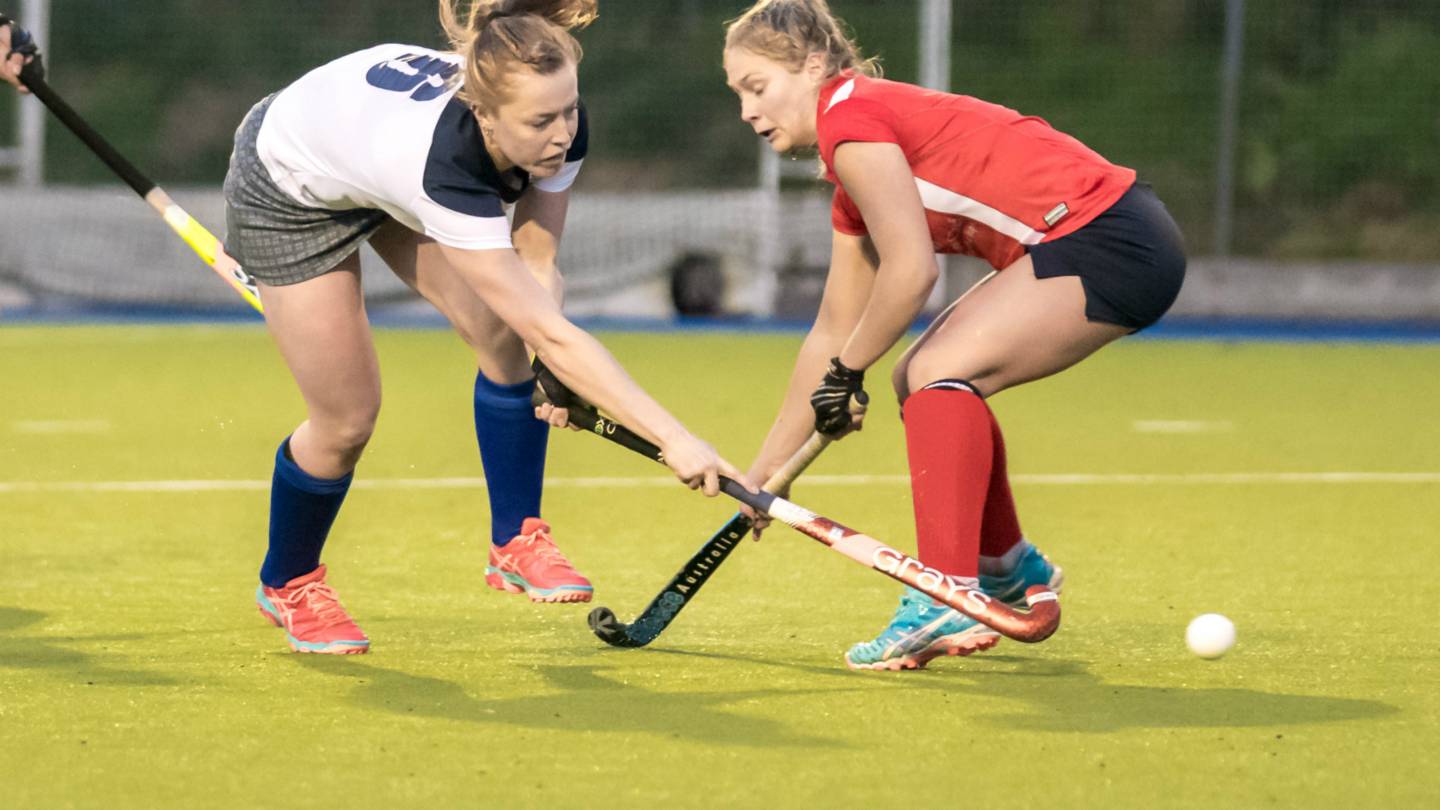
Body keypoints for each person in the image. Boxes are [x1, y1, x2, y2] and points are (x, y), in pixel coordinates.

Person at [0, 1, 749, 655]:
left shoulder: (555, 129)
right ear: (484, 114)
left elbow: (537, 266)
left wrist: (547, 361)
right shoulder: (447, 167)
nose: (561, 134)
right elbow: (554, 332)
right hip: (290, 183)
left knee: (509, 339)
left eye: (569, 112)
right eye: (541, 121)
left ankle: (516, 540)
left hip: (364, 152)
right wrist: (674, 436)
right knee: (348, 415)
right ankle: (288, 582)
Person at [724, 0, 1186, 670]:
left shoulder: (850, 121)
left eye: (756, 87)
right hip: (1114, 236)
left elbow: (910, 275)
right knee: (926, 375)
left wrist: (848, 373)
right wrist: (766, 472)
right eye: (738, 94)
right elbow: (833, 327)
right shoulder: (852, 167)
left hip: (1108, 237)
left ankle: (945, 589)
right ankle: (1001, 565)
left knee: (928, 372)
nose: (746, 111)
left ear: (815, 66)